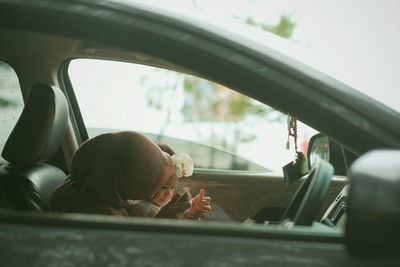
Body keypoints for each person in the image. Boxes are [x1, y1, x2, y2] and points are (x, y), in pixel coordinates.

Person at [50, 131, 174, 217]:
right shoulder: (103, 215)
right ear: (131, 182)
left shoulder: (80, 185)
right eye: (152, 181)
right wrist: (163, 222)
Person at [129, 142, 212, 220]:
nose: (169, 193)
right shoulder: (140, 209)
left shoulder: (166, 205)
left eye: (173, 187)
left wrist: (191, 212)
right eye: (164, 187)